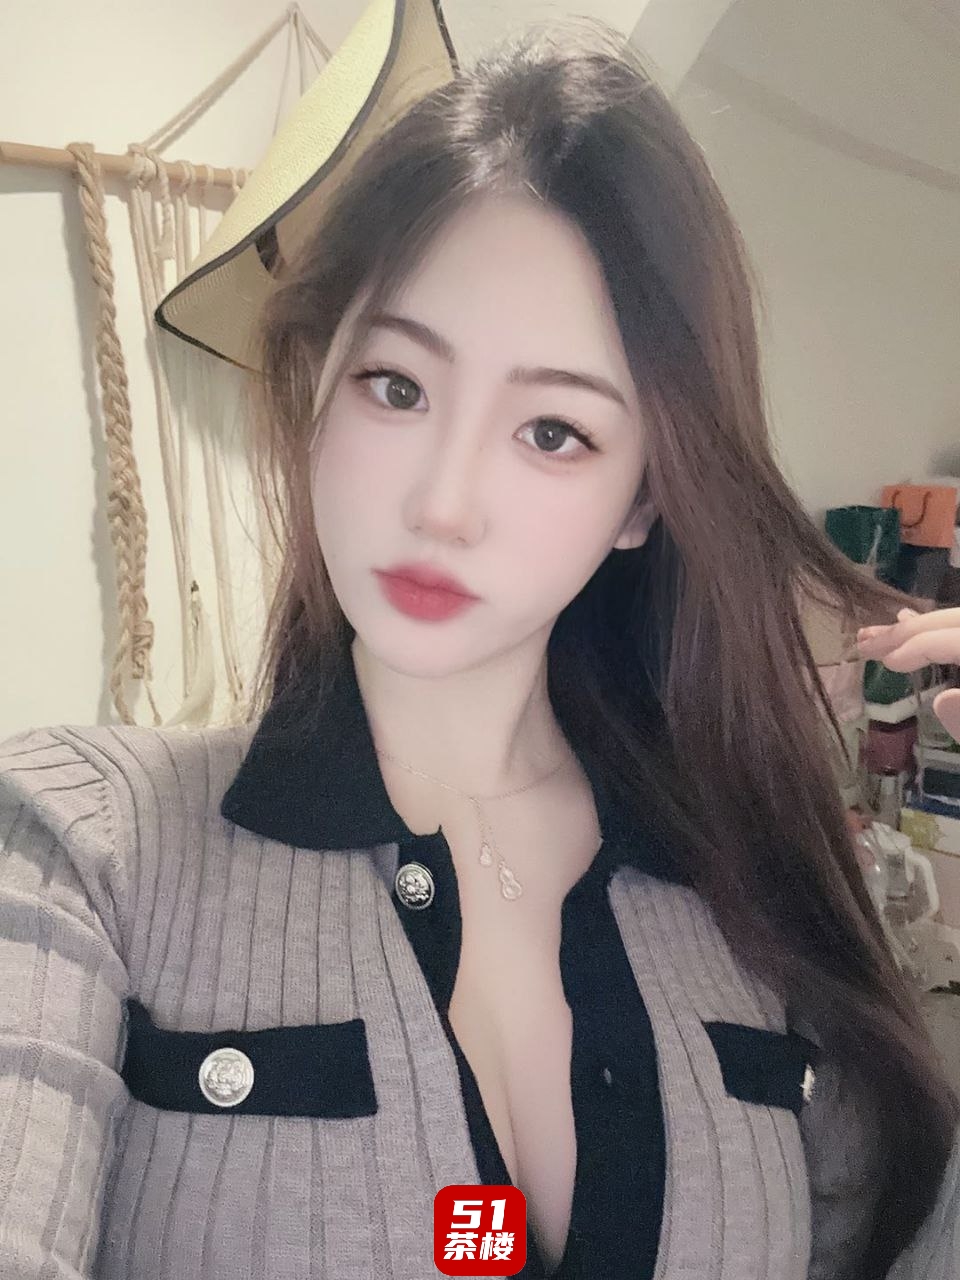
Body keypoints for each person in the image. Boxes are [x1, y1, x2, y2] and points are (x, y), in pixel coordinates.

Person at [1, 10, 959, 1280]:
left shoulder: (751, 886)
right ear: (315, 383)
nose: (443, 502)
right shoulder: (83, 846)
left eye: (554, 430)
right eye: (396, 386)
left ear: (642, 498)